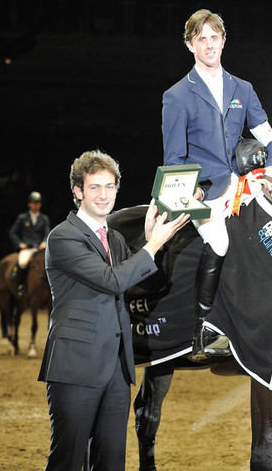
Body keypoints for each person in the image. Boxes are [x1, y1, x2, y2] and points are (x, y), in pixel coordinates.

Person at [38, 150, 189, 471]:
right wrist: (153, 245)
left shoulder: (116, 239)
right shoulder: (63, 237)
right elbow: (112, 280)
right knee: (68, 459)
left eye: (109, 187)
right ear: (78, 191)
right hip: (76, 368)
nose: (103, 195)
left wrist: (148, 239)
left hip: (118, 369)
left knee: (111, 462)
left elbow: (133, 272)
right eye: (94, 187)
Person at [161, 9, 272, 360]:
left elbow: (271, 140)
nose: (209, 44)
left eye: (215, 37)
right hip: (207, 192)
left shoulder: (242, 89)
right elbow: (174, 159)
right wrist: (195, 189)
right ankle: (203, 330)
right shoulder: (177, 96)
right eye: (202, 38)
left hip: (246, 184)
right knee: (219, 239)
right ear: (190, 45)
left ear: (224, 41)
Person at [8, 191, 51, 296]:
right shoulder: (22, 218)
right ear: (29, 204)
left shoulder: (44, 219)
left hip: (39, 248)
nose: (36, 205)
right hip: (27, 247)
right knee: (22, 262)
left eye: (38, 203)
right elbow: (12, 232)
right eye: (34, 203)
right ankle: (21, 285)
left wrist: (44, 242)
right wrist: (19, 244)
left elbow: (47, 233)